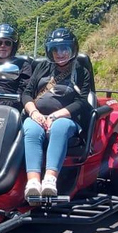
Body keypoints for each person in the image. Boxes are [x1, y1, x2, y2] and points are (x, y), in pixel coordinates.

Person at [21, 27, 94, 198]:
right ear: (50, 52)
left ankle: (50, 180)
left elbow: (81, 102)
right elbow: (26, 93)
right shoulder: (43, 67)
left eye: (64, 49)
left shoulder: (80, 72)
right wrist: (34, 113)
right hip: (38, 116)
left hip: (66, 119)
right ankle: (32, 182)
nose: (60, 53)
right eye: (56, 50)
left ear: (72, 49)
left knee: (59, 128)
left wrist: (56, 115)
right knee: (31, 129)